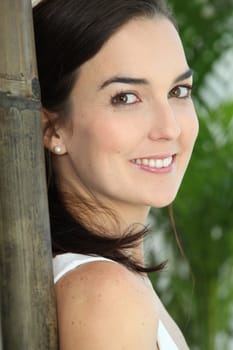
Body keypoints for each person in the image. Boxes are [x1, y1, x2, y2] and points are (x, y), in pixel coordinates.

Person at [33, 0, 198, 349]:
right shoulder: (106, 292)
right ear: (52, 129)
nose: (169, 128)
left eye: (178, 91)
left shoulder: (111, 280)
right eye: (125, 98)